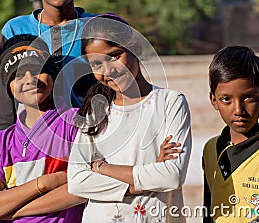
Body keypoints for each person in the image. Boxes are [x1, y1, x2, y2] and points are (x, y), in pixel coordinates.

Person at [67, 15, 192, 223]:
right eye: (97, 64)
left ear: (136, 48)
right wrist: (143, 179)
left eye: (115, 55)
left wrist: (101, 168)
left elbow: (172, 175)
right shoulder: (95, 112)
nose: (108, 71)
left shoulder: (169, 103)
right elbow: (77, 181)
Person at [0, 0, 98, 146]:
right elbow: (4, 109)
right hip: (37, 152)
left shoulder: (99, 28)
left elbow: (126, 92)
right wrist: (3, 164)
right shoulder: (15, 31)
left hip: (93, 145)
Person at [0, 34, 86, 222]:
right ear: (9, 87)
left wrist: (13, 211)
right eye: (19, 75)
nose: (30, 79)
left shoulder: (74, 123)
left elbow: (83, 188)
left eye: (37, 69)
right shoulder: (6, 140)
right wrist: (43, 184)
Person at [202, 46, 259, 222]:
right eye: (226, 99)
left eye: (248, 97)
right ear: (214, 100)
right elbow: (209, 213)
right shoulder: (210, 150)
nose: (238, 110)